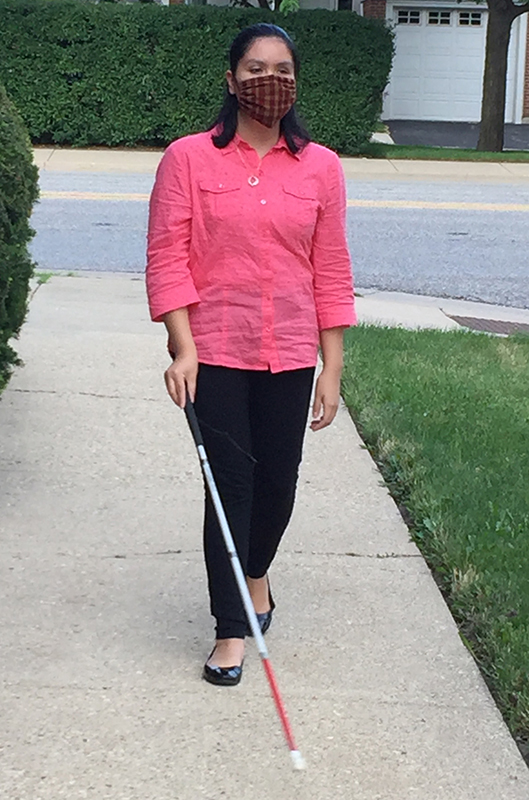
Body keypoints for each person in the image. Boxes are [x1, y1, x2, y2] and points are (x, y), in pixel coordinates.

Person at [146, 22, 356, 686]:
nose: (272, 81)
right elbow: (166, 257)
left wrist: (334, 365)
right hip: (216, 352)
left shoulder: (321, 167)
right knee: (229, 488)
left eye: (283, 69)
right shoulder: (187, 158)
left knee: (277, 485)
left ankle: (256, 572)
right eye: (256, 68)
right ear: (230, 80)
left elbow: (330, 267)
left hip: (291, 351)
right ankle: (231, 628)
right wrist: (181, 347)